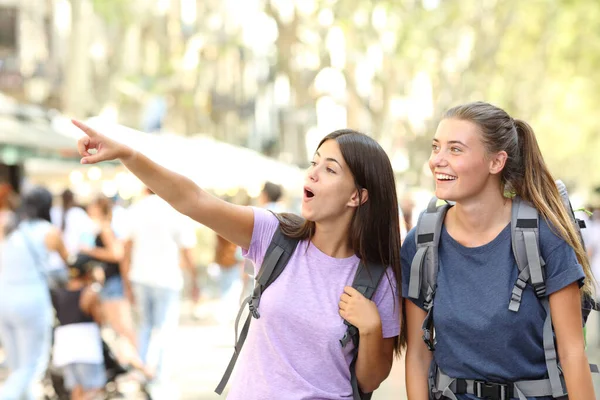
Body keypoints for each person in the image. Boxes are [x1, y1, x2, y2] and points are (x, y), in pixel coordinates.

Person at [71, 120, 404, 399]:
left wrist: (372, 328)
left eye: (330, 169)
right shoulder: (275, 235)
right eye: (314, 162)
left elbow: (369, 381)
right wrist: (128, 155)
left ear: (357, 196)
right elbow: (194, 199)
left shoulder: (377, 279)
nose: (313, 174)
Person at [401, 101, 596, 399]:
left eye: (455, 149)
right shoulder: (422, 243)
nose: (436, 160)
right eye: (436, 147)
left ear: (496, 162)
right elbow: (417, 356)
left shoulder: (543, 236)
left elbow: (572, 353)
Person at [121, 187, 197, 388]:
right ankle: (160, 374)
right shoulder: (175, 210)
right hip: (167, 278)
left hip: (140, 276)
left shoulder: (136, 209)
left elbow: (126, 249)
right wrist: (195, 279)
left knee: (144, 326)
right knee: (164, 328)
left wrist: (126, 282)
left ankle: (142, 370)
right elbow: (188, 249)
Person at [0, 186, 70, 400]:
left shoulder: (9, 226)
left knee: (17, 365)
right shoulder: (48, 231)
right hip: (31, 300)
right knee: (31, 366)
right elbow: (68, 261)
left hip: (4, 298)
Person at [81, 195, 148, 376]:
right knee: (119, 326)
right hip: (110, 283)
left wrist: (90, 251)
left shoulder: (105, 229)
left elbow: (116, 254)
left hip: (113, 283)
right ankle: (135, 361)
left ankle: (142, 363)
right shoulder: (101, 228)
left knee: (123, 326)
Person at [51, 260, 106, 400]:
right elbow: (100, 318)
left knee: (76, 388)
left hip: (64, 343)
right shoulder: (89, 293)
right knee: (93, 388)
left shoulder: (59, 293)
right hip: (85, 342)